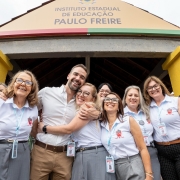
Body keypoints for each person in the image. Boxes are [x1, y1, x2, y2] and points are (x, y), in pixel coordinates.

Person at [30, 64, 100, 180]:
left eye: (82, 77)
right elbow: (29, 110)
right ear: (68, 75)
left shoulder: (80, 103)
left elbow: (104, 108)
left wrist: (99, 114)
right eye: (76, 74)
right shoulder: (47, 92)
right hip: (41, 151)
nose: (78, 78)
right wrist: (34, 132)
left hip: (65, 155)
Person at [38, 83, 116, 180]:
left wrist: (44, 128)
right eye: (80, 91)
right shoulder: (78, 109)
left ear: (93, 98)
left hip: (93, 153)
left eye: (86, 93)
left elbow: (68, 129)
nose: (81, 95)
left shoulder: (87, 108)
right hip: (81, 153)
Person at [100, 92, 153, 180]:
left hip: (131, 163)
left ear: (119, 106)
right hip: (113, 167)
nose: (110, 101)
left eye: (114, 100)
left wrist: (149, 174)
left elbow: (143, 148)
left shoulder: (128, 120)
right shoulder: (101, 124)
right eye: (107, 99)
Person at [0, 70, 39, 180]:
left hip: (22, 151)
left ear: (32, 88)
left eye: (28, 82)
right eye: (20, 80)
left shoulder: (33, 108)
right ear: (13, 83)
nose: (23, 84)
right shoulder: (1, 102)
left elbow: (34, 131)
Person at [143, 76, 180, 180]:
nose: (153, 89)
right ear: (147, 91)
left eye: (155, 86)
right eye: (150, 88)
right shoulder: (147, 108)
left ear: (161, 86)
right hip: (162, 152)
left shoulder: (176, 101)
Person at [122, 85, 161, 180]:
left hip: (151, 151)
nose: (133, 98)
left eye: (136, 95)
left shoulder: (146, 112)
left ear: (140, 98)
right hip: (134, 154)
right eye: (130, 95)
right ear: (125, 98)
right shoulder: (120, 115)